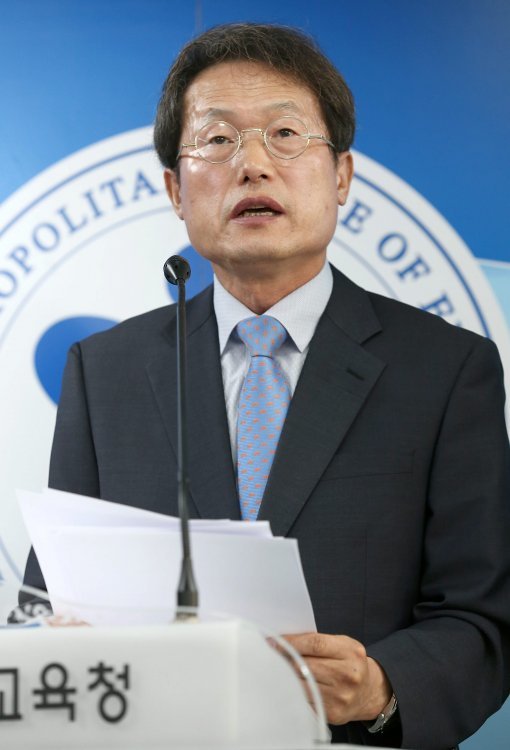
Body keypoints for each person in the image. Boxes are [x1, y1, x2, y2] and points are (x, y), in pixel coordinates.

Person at [19, 23, 510, 749]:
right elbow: (46, 602)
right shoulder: (105, 372)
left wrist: (380, 687)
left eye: (285, 134)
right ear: (175, 190)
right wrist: (58, 641)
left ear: (341, 176)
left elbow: (482, 618)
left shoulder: (446, 369)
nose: (252, 165)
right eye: (217, 140)